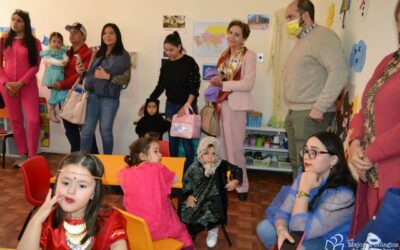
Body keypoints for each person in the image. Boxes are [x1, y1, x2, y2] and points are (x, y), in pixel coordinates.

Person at [348, 0, 400, 238]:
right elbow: (365, 106)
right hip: (371, 174)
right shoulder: (390, 61)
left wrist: (370, 153)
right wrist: (356, 142)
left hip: (393, 176)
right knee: (368, 240)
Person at [256, 131, 356, 249]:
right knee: (265, 228)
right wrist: (281, 229)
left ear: (333, 160)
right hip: (305, 229)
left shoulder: (343, 195)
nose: (307, 157)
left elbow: (299, 230)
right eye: (306, 151)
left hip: (327, 242)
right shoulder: (306, 176)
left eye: (314, 152)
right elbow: (283, 211)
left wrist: (304, 188)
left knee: (301, 246)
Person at [283, 0, 348, 180]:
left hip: (310, 113)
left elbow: (339, 71)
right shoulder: (303, 41)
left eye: (291, 17)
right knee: (298, 162)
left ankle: (306, 201)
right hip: (296, 111)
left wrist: (320, 106)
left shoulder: (323, 37)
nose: (287, 22)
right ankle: (299, 199)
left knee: (309, 165)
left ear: (305, 15)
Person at [17, 152, 128, 250]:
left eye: (82, 186)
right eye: (65, 183)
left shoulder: (110, 219)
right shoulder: (48, 220)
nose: (71, 191)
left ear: (94, 192)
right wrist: (36, 220)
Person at [117, 137, 194, 249]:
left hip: (137, 230)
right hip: (158, 228)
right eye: (156, 151)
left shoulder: (124, 172)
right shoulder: (158, 168)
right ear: (143, 156)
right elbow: (175, 178)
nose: (160, 155)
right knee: (182, 230)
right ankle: (189, 247)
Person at [209, 20, 256, 201]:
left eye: (237, 34)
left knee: (235, 149)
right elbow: (221, 77)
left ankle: (242, 185)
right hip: (221, 104)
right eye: (230, 33)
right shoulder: (224, 55)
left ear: (244, 38)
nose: (232, 37)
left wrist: (223, 83)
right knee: (223, 148)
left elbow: (247, 84)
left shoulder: (248, 56)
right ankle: (228, 182)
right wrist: (215, 80)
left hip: (236, 106)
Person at [141, 31, 201, 170]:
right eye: (166, 50)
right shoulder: (166, 65)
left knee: (186, 141)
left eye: (171, 50)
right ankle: (174, 169)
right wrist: (148, 102)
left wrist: (186, 106)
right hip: (171, 106)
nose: (169, 53)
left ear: (179, 47)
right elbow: (160, 86)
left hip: (187, 105)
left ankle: (189, 170)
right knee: (172, 140)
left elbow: (195, 88)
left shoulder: (189, 62)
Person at [181, 136, 242, 248]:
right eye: (206, 153)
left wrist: (235, 181)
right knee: (187, 211)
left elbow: (237, 170)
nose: (210, 157)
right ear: (200, 153)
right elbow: (186, 182)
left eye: (213, 154)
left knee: (215, 209)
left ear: (217, 154)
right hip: (198, 198)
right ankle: (193, 229)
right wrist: (188, 195)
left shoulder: (221, 165)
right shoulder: (194, 167)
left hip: (216, 199)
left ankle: (213, 231)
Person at [79, 23, 130, 155]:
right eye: (105, 33)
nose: (107, 36)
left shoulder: (123, 56)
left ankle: (108, 160)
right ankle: (83, 159)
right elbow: (90, 74)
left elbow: (125, 80)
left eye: (111, 33)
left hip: (109, 98)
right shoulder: (97, 53)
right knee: (86, 130)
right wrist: (81, 72)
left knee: (105, 131)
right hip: (93, 96)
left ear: (117, 36)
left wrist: (108, 76)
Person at [0, 9, 42, 166]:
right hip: (7, 87)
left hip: (28, 86)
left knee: (33, 120)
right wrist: (5, 82)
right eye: (13, 19)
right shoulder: (4, 40)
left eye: (19, 20)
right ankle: (22, 154)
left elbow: (35, 66)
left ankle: (32, 156)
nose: (15, 23)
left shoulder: (34, 42)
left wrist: (21, 83)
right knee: (16, 121)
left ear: (26, 23)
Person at [52, 21, 98, 153]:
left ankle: (96, 161)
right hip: (65, 97)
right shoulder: (66, 53)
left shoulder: (89, 54)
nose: (71, 35)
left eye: (75, 32)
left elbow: (81, 76)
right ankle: (76, 159)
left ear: (84, 36)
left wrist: (61, 84)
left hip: (81, 98)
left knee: (86, 132)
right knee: (71, 132)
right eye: (70, 32)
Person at [40, 32, 69, 123]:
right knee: (56, 92)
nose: (56, 44)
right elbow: (47, 60)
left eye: (59, 42)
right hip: (53, 74)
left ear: (62, 43)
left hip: (61, 74)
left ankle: (57, 111)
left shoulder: (62, 51)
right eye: (54, 41)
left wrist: (65, 61)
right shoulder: (49, 51)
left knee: (61, 92)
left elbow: (66, 58)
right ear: (50, 43)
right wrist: (61, 63)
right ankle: (52, 111)